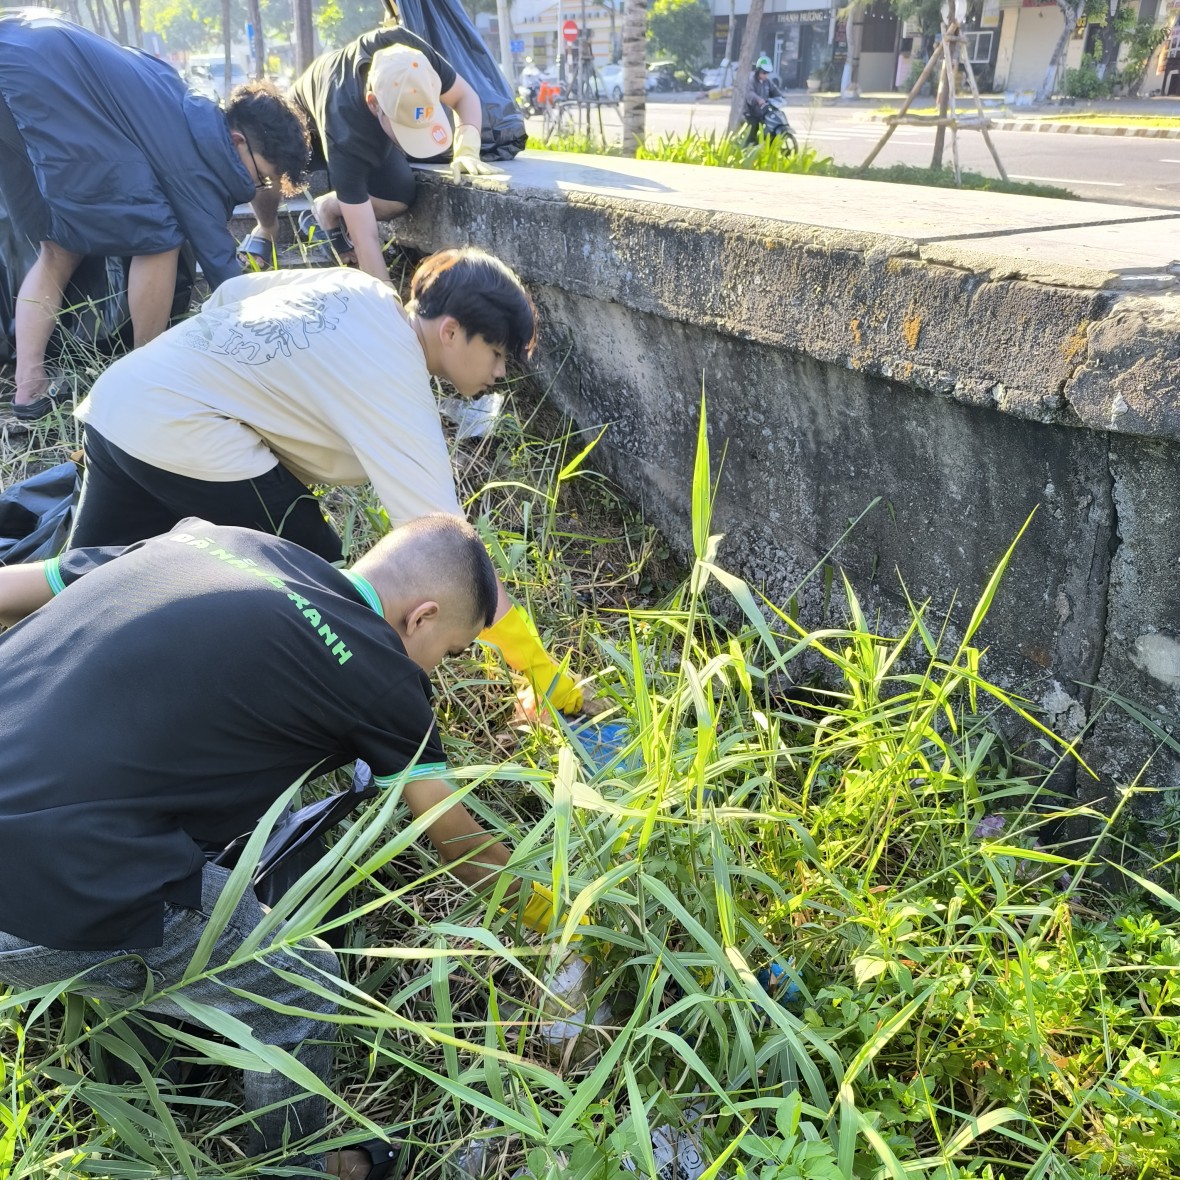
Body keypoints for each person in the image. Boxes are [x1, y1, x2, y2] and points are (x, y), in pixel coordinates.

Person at [0, 512, 566, 1179]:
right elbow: (457, 844)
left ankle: (161, 1032)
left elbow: (15, 586)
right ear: (422, 616)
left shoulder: (208, 538)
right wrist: (558, 919)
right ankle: (295, 1168)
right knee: (302, 987)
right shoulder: (380, 670)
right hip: (38, 893)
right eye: (448, 652)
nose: (435, 673)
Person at [69, 247, 585, 715]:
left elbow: (228, 295)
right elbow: (453, 552)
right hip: (188, 432)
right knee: (325, 586)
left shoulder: (357, 288)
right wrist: (549, 678)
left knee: (76, 590)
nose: (499, 373)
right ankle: (320, 720)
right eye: (496, 353)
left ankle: (46, 678)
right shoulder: (395, 379)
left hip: (122, 402)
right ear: (450, 331)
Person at [0, 13, 309, 420]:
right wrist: (286, 346)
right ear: (237, 140)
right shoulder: (199, 155)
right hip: (46, 79)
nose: (257, 189)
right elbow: (222, 268)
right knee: (160, 236)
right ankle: (145, 374)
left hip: (17, 51)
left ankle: (29, 390)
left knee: (58, 249)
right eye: (262, 177)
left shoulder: (188, 108)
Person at [245, 27, 494, 284]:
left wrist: (467, 147)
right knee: (269, 161)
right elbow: (366, 239)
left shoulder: (413, 59)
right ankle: (266, 229)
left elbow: (465, 96)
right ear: (375, 103)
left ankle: (327, 207)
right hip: (307, 129)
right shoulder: (344, 131)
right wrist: (389, 303)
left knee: (400, 196)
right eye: (403, 129)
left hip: (367, 120)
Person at [744, 55, 783, 145]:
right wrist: (758, 99)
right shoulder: (751, 80)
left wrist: (781, 97)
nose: (766, 75)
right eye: (764, 72)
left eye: (767, 73)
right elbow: (750, 93)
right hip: (751, 113)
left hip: (763, 111)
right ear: (758, 71)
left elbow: (774, 90)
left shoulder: (767, 82)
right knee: (752, 130)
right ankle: (746, 149)